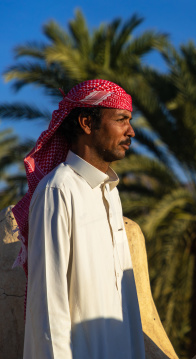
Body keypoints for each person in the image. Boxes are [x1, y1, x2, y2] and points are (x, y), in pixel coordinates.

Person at [13, 80, 145, 358]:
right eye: (121, 119)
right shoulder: (58, 190)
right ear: (87, 122)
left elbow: (127, 300)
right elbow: (49, 303)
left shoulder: (110, 194)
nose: (131, 131)